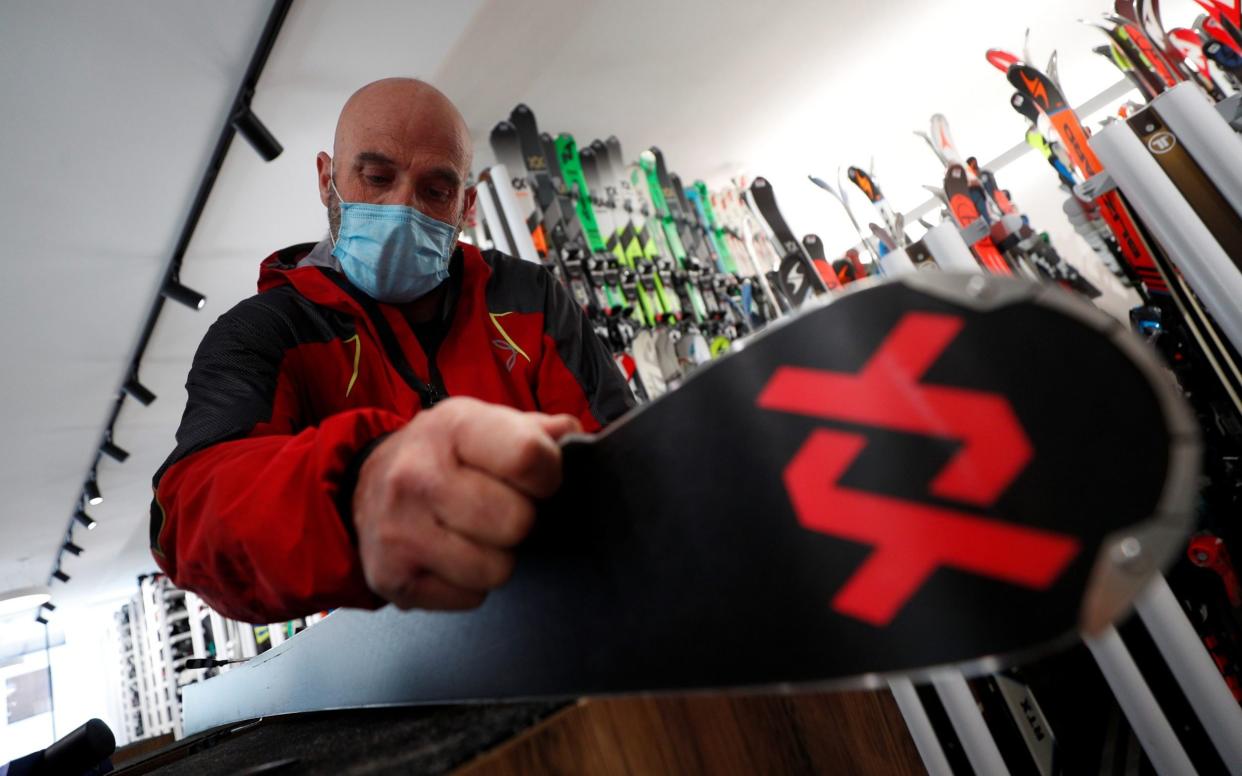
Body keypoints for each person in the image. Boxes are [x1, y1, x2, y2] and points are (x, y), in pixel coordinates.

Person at [149, 78, 634, 624]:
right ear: (326, 179)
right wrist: (354, 492)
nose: (402, 208)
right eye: (377, 177)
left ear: (466, 205)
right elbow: (192, 510)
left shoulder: (531, 297)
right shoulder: (263, 334)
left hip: (564, 616)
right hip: (395, 667)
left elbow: (621, 450)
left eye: (435, 191)